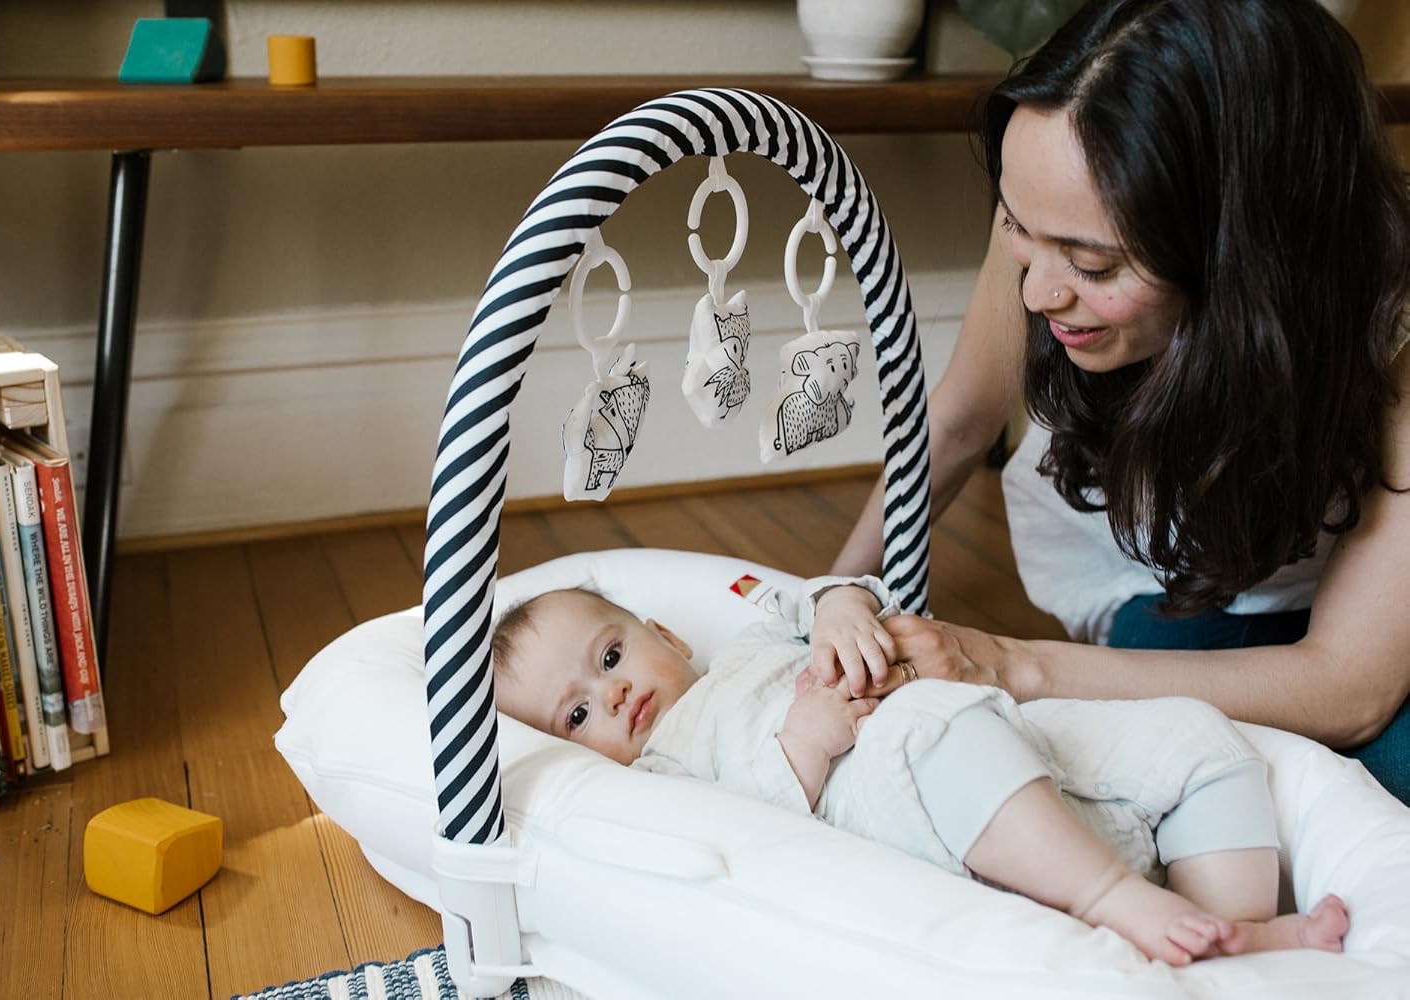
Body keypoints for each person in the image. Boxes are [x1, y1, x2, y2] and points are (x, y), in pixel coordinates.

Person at [831, 0, 1410, 803]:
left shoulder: (1388, 322)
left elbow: (1351, 688)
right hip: (1162, 585)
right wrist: (827, 595)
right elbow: (960, 422)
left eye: (1094, 269)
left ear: (1245, 250)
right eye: (1016, 230)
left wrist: (1011, 662)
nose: (1035, 292)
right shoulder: (1056, 213)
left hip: (1343, 605)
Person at [491, 576, 1350, 966]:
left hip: (1031, 752)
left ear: (664, 635)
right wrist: (809, 743)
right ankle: (1114, 905)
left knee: (1196, 735)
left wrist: (838, 615)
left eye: (610, 656)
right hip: (930, 796)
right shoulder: (663, 773)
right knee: (936, 723)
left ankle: (1233, 942)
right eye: (577, 717)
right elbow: (740, 836)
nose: (614, 698)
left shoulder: (749, 643)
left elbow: (826, 591)